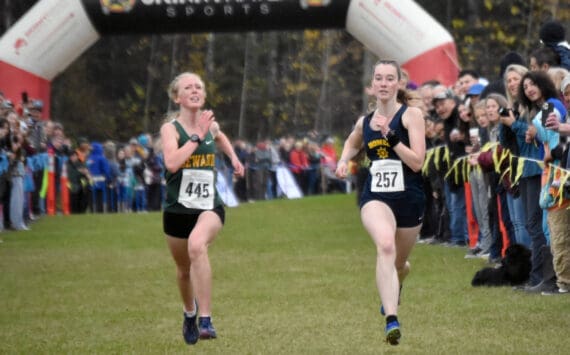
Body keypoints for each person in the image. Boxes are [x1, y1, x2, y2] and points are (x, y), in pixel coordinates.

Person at [335, 60, 425, 346]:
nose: (384, 83)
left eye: (390, 78)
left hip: (410, 198)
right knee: (385, 245)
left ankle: (397, 281)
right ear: (372, 86)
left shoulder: (411, 115)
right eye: (379, 78)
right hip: (376, 196)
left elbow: (417, 162)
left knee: (399, 263)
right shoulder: (365, 122)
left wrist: (392, 137)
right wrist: (342, 160)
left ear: (399, 84)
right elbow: (352, 142)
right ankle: (392, 319)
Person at [160, 72, 244, 345]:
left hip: (210, 206)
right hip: (177, 210)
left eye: (199, 87)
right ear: (178, 97)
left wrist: (233, 158)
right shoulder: (170, 129)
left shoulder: (211, 125)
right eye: (188, 87)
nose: (195, 90)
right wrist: (196, 136)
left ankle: (206, 320)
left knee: (198, 246)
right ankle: (189, 313)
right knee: (184, 271)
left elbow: (220, 137)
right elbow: (172, 163)